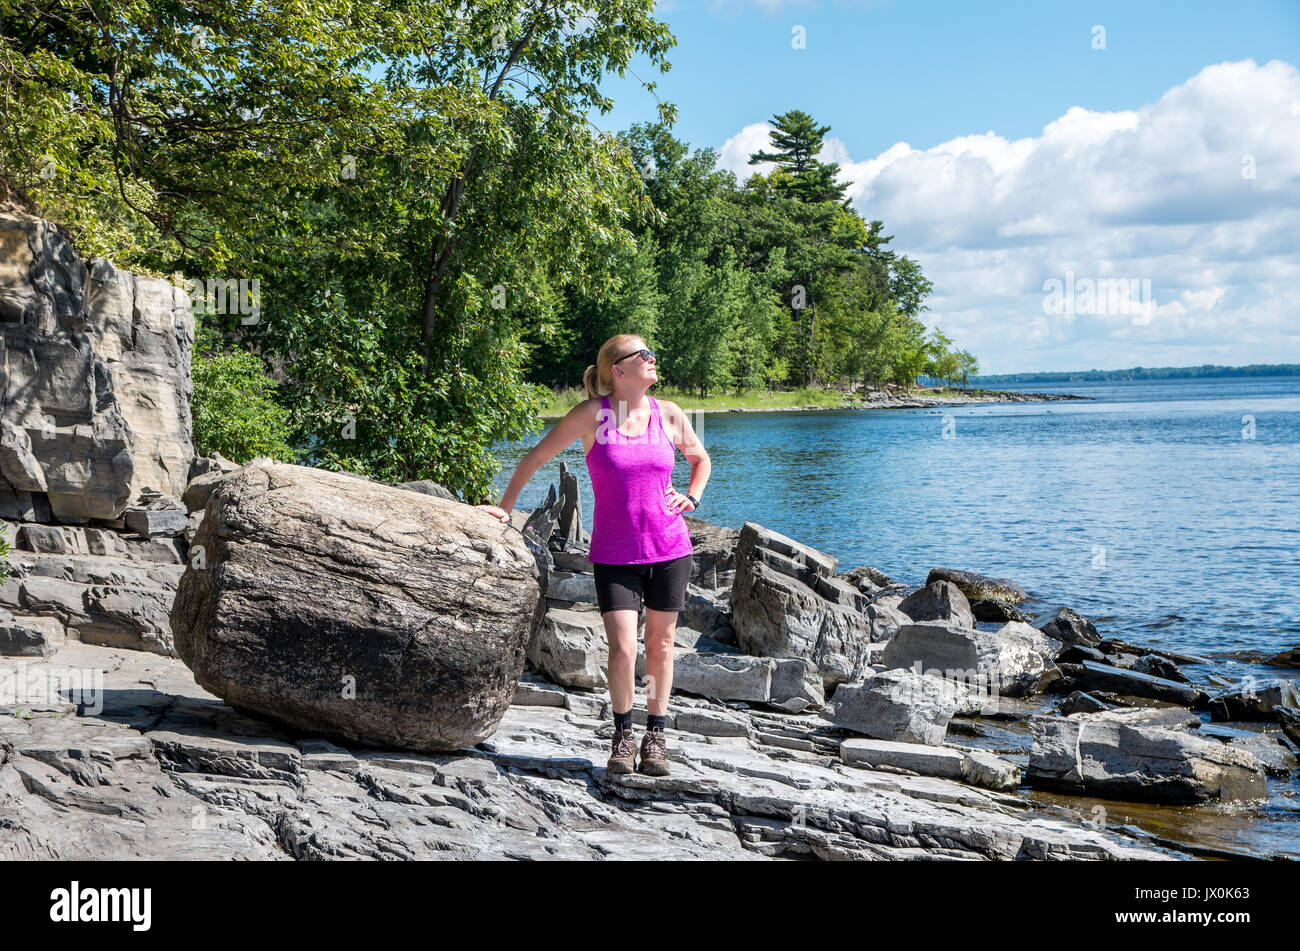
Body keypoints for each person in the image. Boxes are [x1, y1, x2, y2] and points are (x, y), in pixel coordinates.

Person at [477, 334, 711, 777]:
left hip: (669, 547)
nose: (652, 358)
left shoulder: (669, 414)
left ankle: (655, 736)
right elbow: (536, 456)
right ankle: (623, 734)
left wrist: (692, 497)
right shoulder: (591, 416)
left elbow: (701, 459)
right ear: (617, 372)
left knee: (660, 647)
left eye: (652, 352)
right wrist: (505, 509)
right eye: (643, 354)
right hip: (615, 554)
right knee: (622, 648)